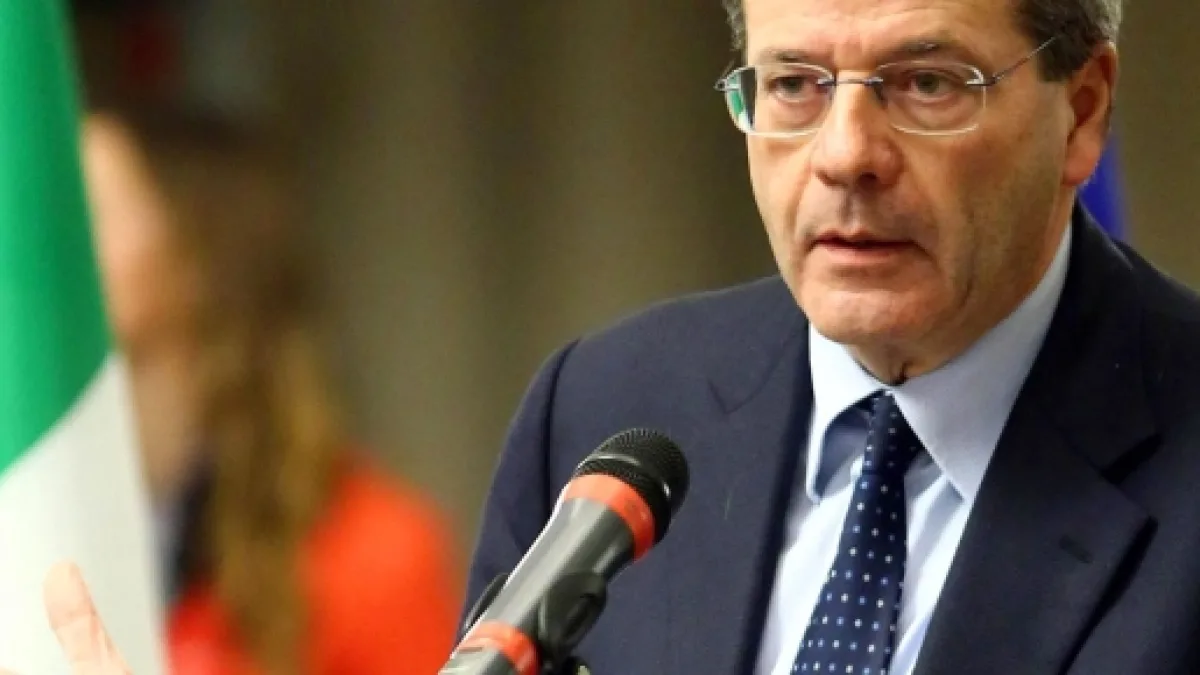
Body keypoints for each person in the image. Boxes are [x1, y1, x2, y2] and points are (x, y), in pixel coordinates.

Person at [11, 1, 1198, 675]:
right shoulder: (611, 406)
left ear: (1082, 112)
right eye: (792, 85)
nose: (844, 154)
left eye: (926, 83)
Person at [72, 109, 461, 675]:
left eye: (88, 212)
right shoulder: (41, 513)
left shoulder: (376, 552)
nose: (45, 244)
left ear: (198, 255)